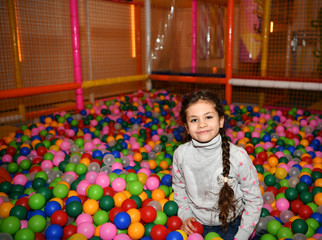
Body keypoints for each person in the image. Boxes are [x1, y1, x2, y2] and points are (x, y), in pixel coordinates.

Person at [172, 90, 263, 240]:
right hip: (194, 225)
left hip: (232, 226)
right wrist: (185, 216)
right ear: (187, 127)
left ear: (221, 121)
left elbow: (253, 199)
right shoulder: (181, 154)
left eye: (208, 117)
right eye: (194, 120)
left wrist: (243, 234)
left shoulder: (238, 157)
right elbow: (179, 188)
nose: (202, 124)